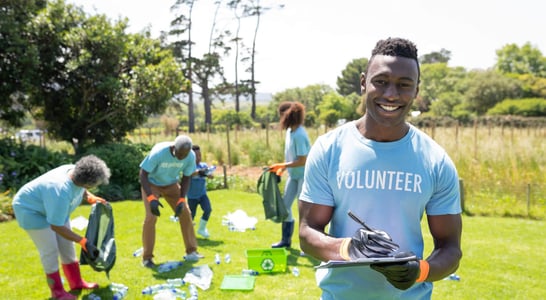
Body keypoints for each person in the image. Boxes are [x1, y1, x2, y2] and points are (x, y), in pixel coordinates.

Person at [298, 37, 463, 299]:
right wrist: (349, 248)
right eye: (381, 82)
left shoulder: (435, 160)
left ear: (416, 90)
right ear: (363, 82)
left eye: (404, 85)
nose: (391, 94)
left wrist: (420, 271)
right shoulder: (329, 148)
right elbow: (307, 234)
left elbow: (451, 248)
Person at [12, 155, 111, 300]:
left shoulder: (74, 170)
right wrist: (83, 241)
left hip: (53, 207)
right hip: (31, 211)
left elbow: (80, 188)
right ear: (87, 182)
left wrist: (89, 196)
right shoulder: (59, 190)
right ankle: (57, 292)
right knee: (50, 251)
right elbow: (57, 226)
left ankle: (76, 283)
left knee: (67, 247)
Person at [139, 135, 203, 268]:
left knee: (185, 212)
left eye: (183, 156)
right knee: (151, 217)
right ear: (174, 147)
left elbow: (186, 177)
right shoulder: (159, 152)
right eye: (179, 154)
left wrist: (181, 199)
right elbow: (143, 174)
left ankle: (191, 252)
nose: (181, 158)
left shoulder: (190, 156)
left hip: (171, 184)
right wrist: (151, 198)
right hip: (151, 183)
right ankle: (147, 258)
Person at [268, 101, 311, 248]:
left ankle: (306, 246)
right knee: (285, 206)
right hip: (294, 175)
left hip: (304, 176)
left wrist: (281, 165)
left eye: (281, 116)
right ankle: (285, 241)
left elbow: (303, 160)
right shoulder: (290, 132)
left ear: (288, 116)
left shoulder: (299, 134)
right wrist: (283, 168)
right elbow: (292, 158)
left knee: (303, 211)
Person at [187, 144, 214, 238]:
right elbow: (190, 174)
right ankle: (188, 233)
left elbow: (210, 175)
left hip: (202, 195)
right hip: (192, 196)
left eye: (200, 155)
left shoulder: (203, 165)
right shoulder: (189, 166)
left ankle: (201, 229)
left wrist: (209, 174)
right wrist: (199, 172)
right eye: (196, 156)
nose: (198, 157)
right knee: (191, 216)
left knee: (208, 209)